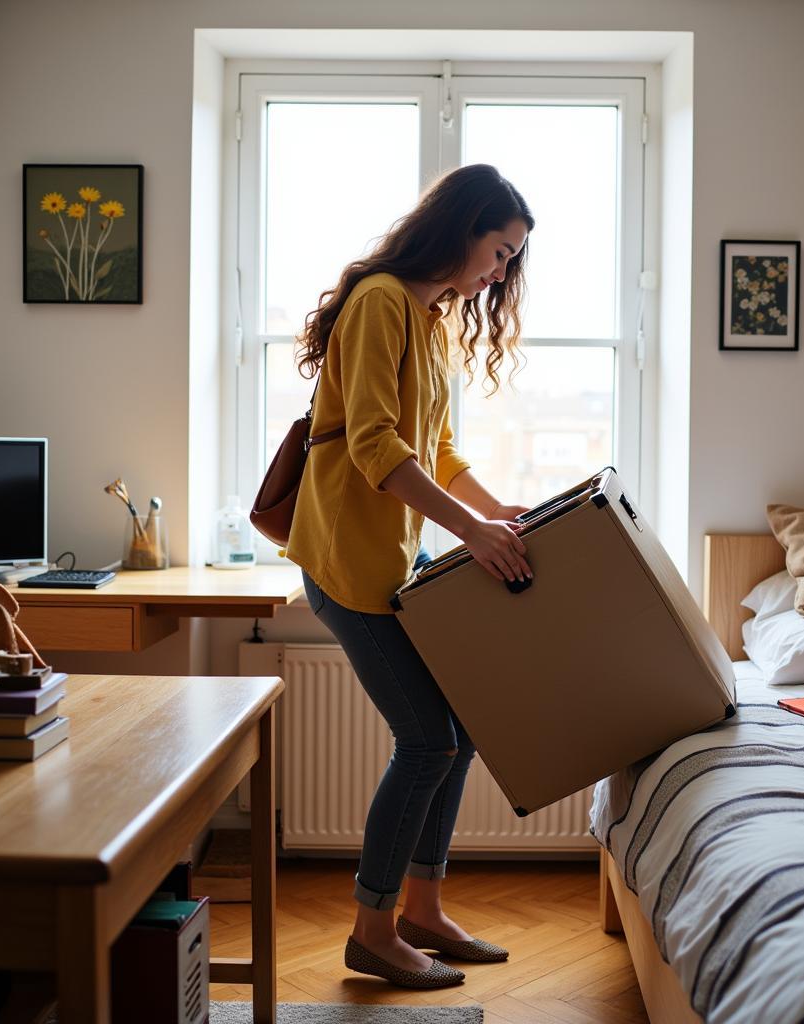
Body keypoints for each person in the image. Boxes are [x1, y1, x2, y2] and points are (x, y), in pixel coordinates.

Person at [286, 164, 535, 989]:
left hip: (390, 559)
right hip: (347, 566)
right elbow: (375, 448)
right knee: (427, 741)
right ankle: (372, 929)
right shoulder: (382, 302)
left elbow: (440, 452)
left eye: (510, 261)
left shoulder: (428, 318)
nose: (499, 273)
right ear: (460, 229)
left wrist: (506, 516)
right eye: (498, 251)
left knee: (456, 733)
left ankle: (423, 911)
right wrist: (475, 534)